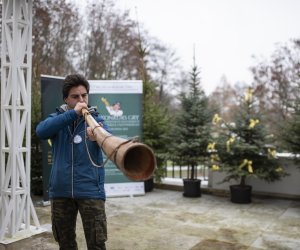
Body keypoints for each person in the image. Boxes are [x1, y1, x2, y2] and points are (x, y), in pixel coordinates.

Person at [36, 74, 111, 250]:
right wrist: (73, 114)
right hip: (61, 191)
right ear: (66, 99)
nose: (81, 100)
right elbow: (41, 131)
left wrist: (97, 137)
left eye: (84, 95)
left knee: (97, 243)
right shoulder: (57, 118)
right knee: (65, 243)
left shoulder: (97, 120)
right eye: (75, 96)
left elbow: (109, 141)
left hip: (91, 191)